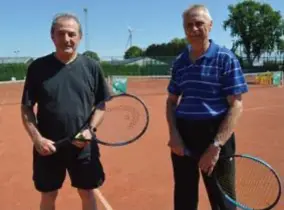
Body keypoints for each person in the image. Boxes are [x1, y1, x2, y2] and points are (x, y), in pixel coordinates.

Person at [21, 13, 110, 210]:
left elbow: (102, 104)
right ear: (52, 36)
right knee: (48, 194)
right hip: (48, 147)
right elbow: (27, 108)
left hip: (83, 146)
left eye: (72, 34)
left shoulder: (92, 67)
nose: (67, 39)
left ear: (80, 37)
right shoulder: (37, 67)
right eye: (61, 34)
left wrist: (90, 130)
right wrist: (37, 139)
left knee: (87, 193)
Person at [166, 4, 248, 210]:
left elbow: (236, 105)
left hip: (215, 132)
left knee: (223, 201)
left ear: (210, 26)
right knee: (184, 198)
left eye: (199, 23)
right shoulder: (180, 62)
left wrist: (216, 145)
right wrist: (174, 135)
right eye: (188, 25)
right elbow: (171, 101)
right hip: (184, 133)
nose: (193, 29)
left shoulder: (225, 58)